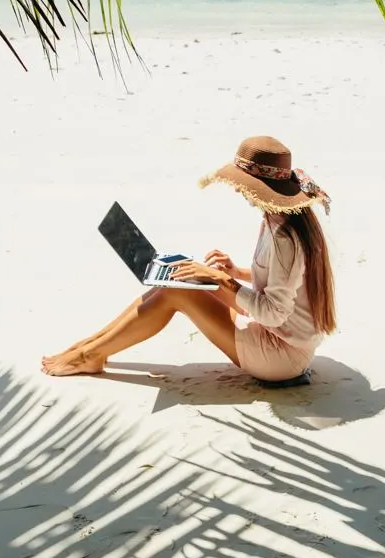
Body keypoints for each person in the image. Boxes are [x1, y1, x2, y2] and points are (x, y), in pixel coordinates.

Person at [42, 136, 336, 381]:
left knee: (178, 292)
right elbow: (284, 282)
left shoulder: (285, 237)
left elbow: (274, 313)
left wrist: (223, 282)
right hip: (280, 336)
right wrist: (237, 273)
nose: (237, 188)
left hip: (281, 355)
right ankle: (90, 346)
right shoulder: (280, 220)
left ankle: (90, 355)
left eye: (242, 182)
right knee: (170, 281)